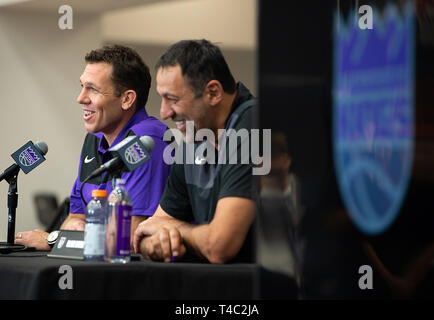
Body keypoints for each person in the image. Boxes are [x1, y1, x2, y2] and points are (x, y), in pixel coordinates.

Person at [15, 45, 170, 250]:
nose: (81, 98)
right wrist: (75, 228)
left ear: (127, 99)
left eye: (93, 89)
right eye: (82, 86)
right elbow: (74, 217)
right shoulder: (95, 139)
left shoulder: (145, 141)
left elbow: (127, 237)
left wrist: (52, 240)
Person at [133, 39, 258, 264]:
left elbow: (219, 246)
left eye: (172, 99)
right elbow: (148, 230)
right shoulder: (195, 136)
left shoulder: (253, 124)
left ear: (213, 92)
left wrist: (179, 232)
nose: (163, 113)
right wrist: (156, 243)